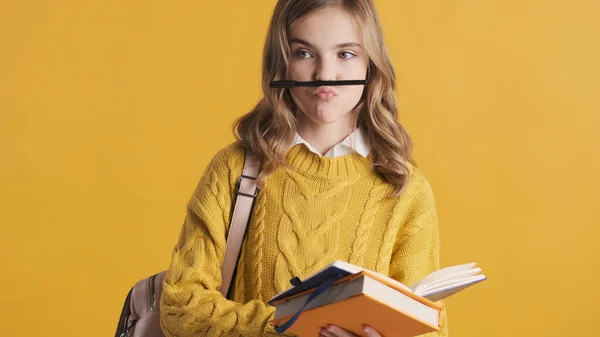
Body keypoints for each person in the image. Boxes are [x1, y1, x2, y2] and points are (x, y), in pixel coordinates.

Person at [159, 0, 448, 336]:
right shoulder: (234, 169)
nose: (325, 75)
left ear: (371, 64)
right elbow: (181, 308)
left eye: (345, 54)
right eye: (304, 53)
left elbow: (430, 330)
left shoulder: (405, 189)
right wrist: (292, 328)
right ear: (281, 64)